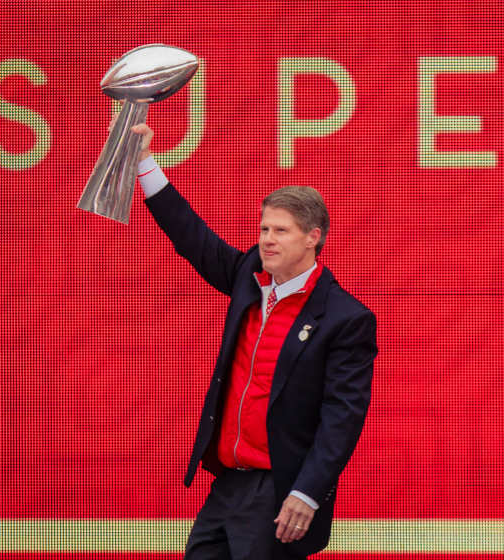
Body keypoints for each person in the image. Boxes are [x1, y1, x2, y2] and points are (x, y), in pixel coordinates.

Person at [126, 120, 378, 560]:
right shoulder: (248, 275)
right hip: (229, 481)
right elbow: (190, 235)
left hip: (280, 491)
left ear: (313, 238)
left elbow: (342, 417)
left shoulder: (345, 318)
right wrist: (144, 161)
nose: (267, 240)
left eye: (280, 231)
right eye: (264, 229)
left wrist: (307, 493)